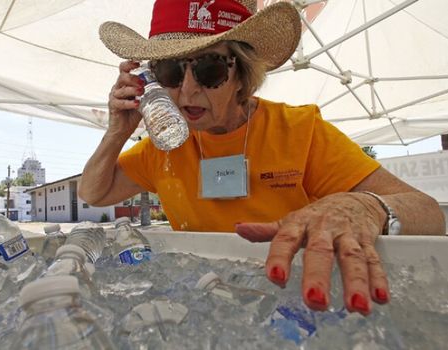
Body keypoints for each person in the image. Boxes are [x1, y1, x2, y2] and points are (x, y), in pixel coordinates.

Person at [79, 0, 445, 316]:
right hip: (208, 301)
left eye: (209, 70)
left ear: (242, 74)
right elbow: (94, 193)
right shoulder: (165, 146)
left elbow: (429, 212)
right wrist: (118, 131)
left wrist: (365, 207)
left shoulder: (300, 131)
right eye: (171, 71)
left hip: (299, 302)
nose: (187, 90)